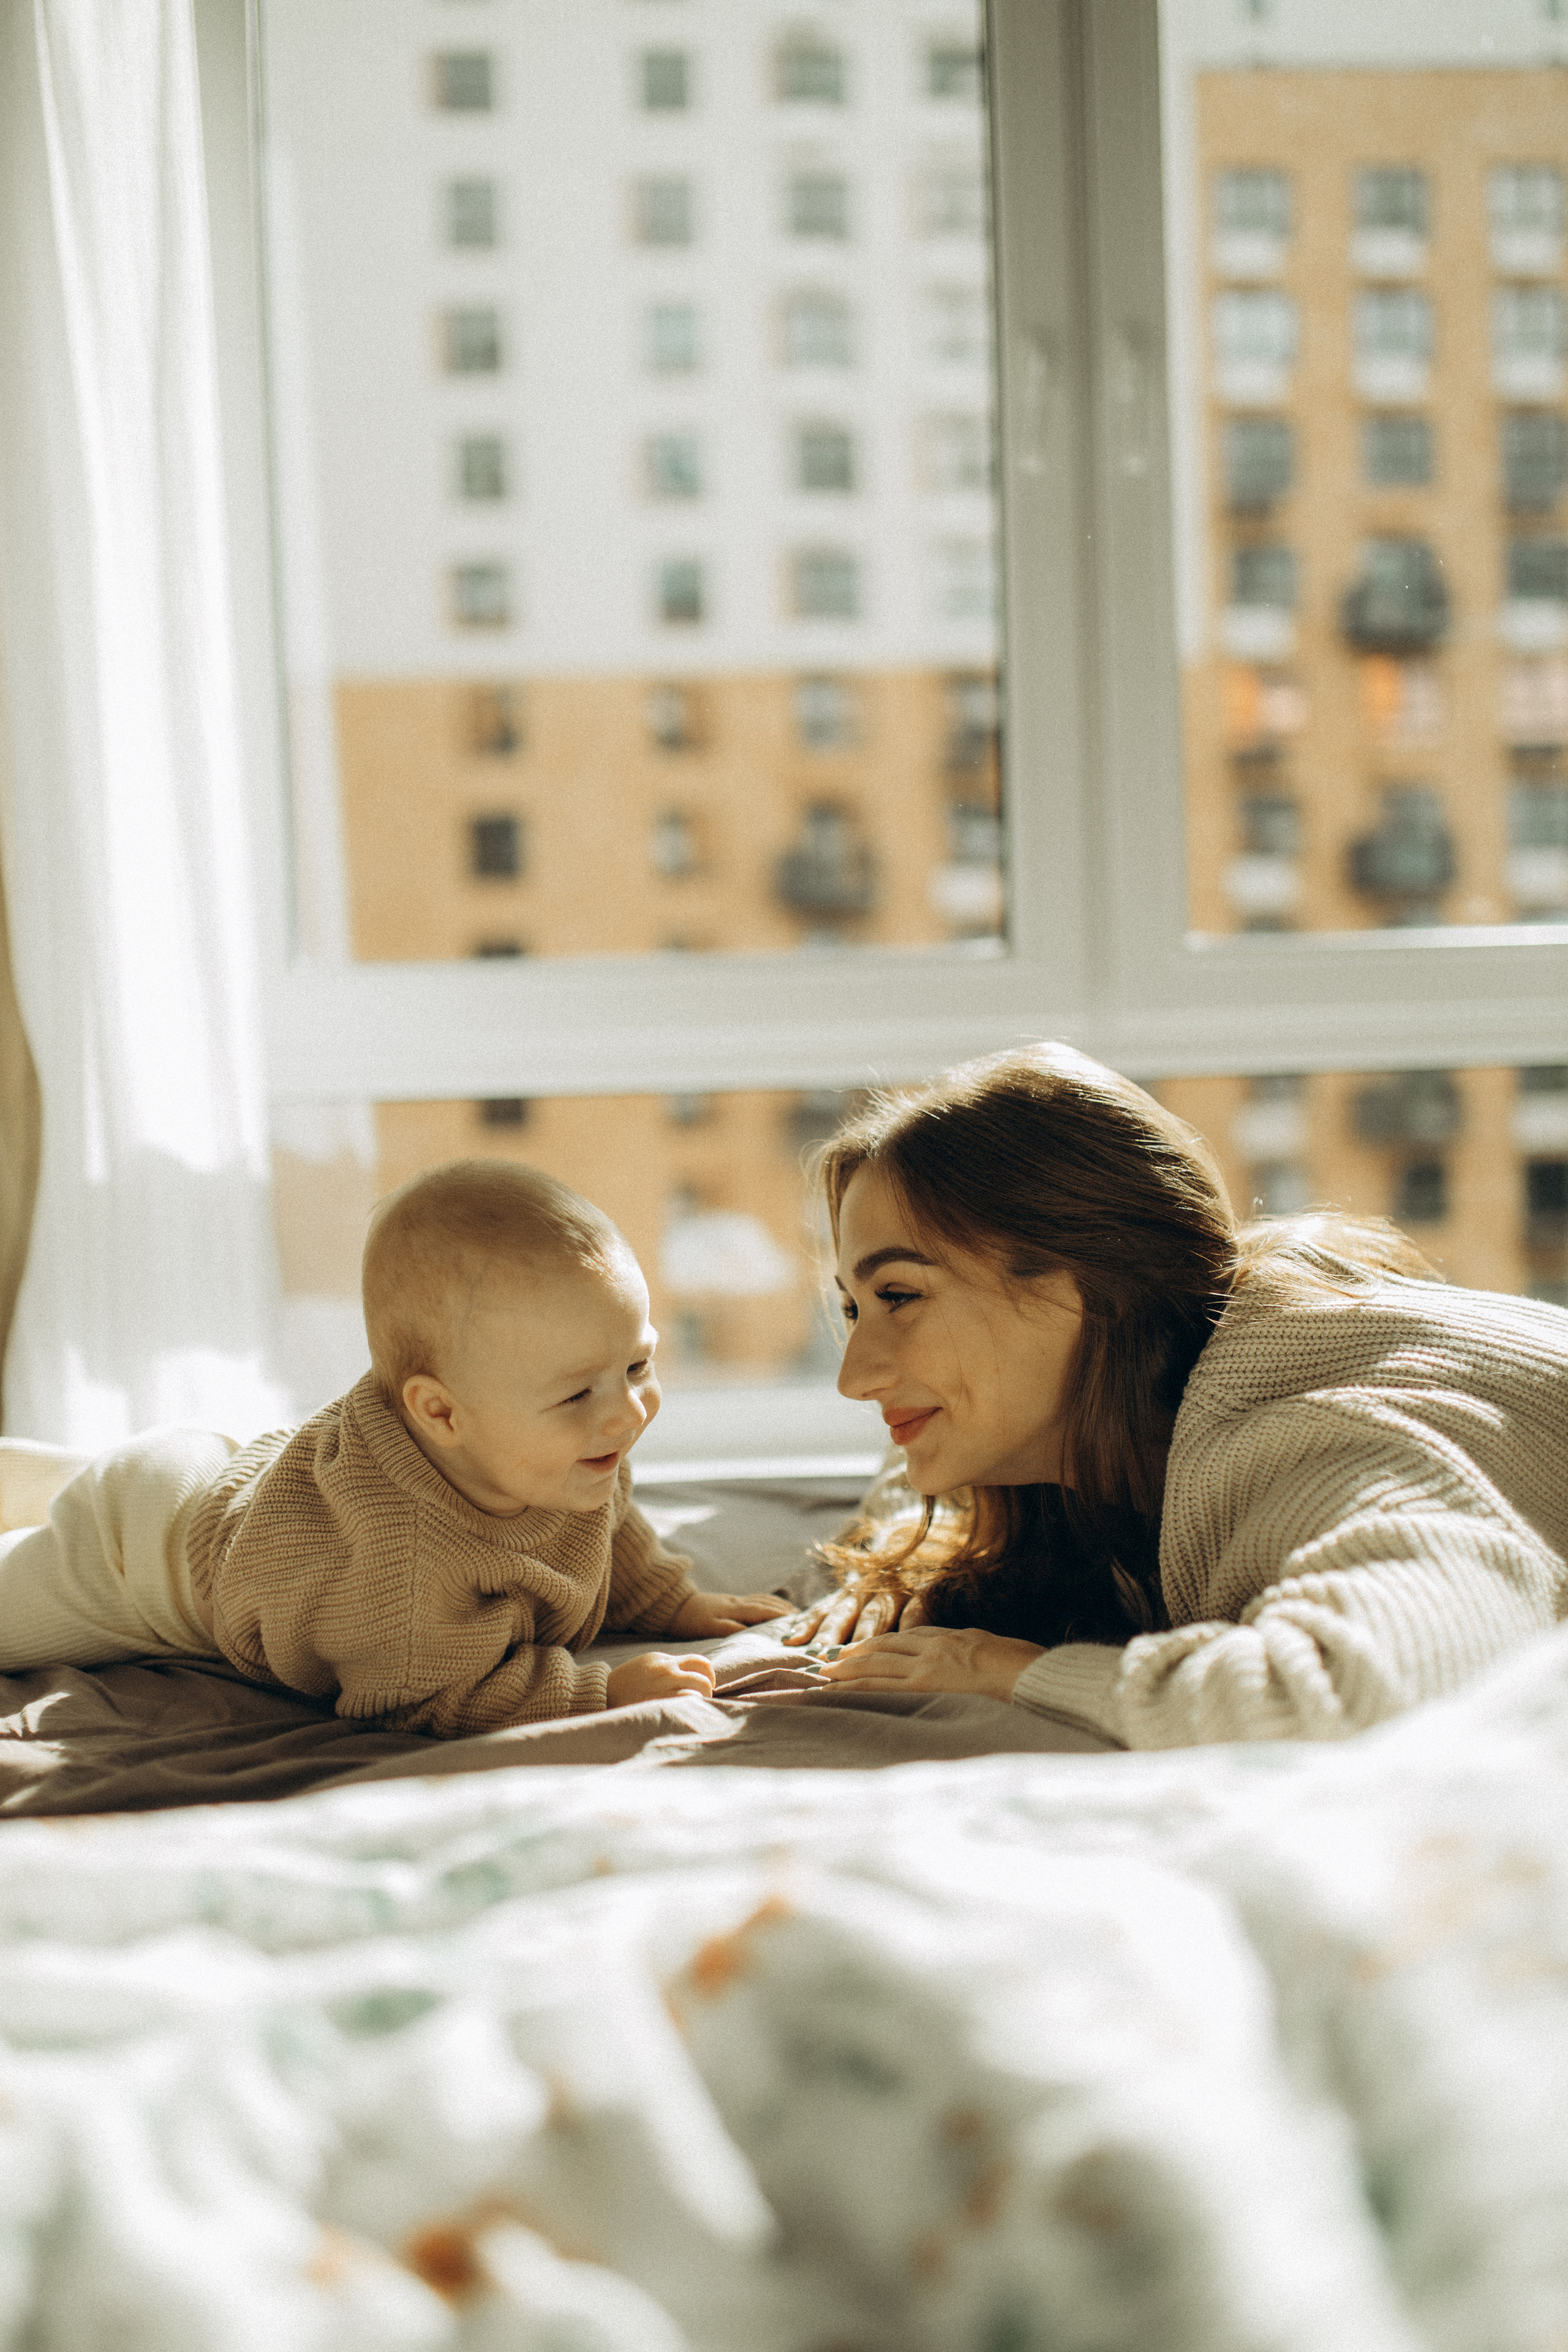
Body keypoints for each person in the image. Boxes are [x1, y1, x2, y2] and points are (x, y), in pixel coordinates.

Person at [782, 1043, 1568, 1749]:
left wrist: (1010, 1672)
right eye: (853, 1308)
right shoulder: (1145, 1404)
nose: (857, 1377)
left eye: (899, 1295)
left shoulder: (1320, 1433)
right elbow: (915, 1467)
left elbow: (1352, 1699)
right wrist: (897, 1556)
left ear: (1086, 1282)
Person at [0, 1161, 789, 1732]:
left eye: (639, 1365)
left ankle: (38, 1478)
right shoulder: (406, 1570)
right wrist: (602, 1694)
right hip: (151, 1555)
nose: (626, 1414)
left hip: (230, 1472)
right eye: (581, 1391)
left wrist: (671, 1604)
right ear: (440, 1413)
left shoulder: (569, 1441)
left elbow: (613, 1529)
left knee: (76, 1489)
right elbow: (433, 1695)